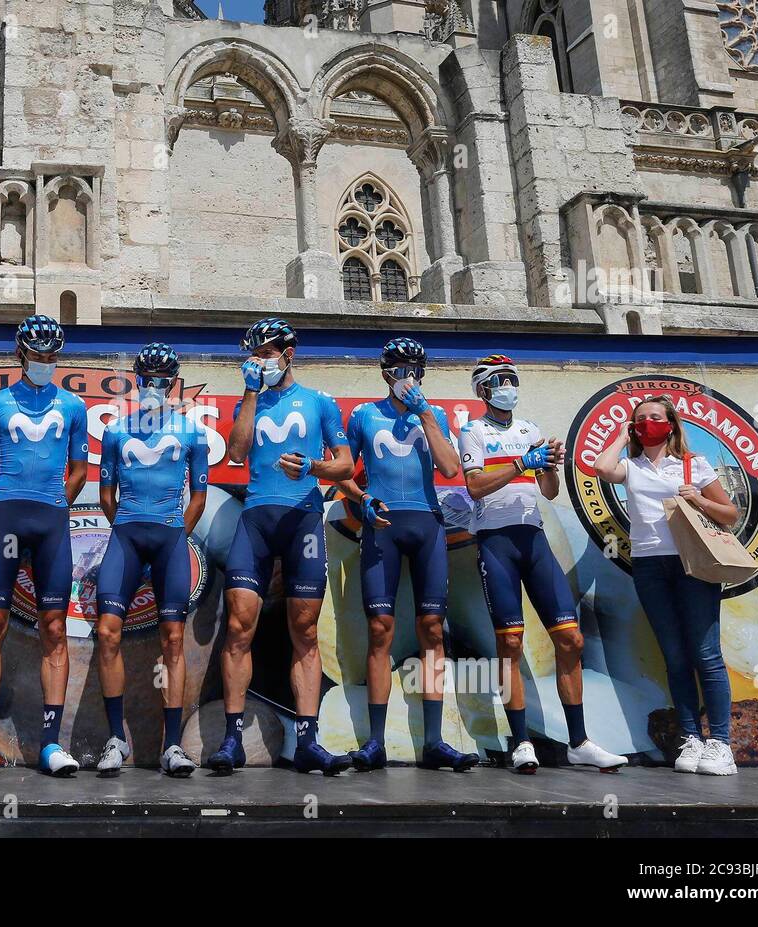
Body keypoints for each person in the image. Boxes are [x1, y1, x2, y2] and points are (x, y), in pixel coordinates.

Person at [458, 355, 626, 773]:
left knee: (571, 640)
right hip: (496, 542)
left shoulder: (529, 428)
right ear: (482, 390)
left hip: (533, 539)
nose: (507, 385)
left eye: (512, 378)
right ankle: (520, 742)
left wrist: (550, 464)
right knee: (510, 643)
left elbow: (548, 492)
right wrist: (520, 464)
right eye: (499, 380)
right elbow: (475, 487)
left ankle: (579, 741)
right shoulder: (473, 431)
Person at [209, 318, 354, 776]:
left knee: (305, 631)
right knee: (238, 626)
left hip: (303, 519)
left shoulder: (319, 403)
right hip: (256, 518)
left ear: (289, 353)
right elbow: (235, 451)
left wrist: (312, 466)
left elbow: (346, 464)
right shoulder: (247, 400)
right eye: (254, 355)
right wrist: (251, 393)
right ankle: (232, 739)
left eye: (268, 352)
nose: (261, 361)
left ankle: (308, 740)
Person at [0, 315, 88, 777]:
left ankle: (50, 744)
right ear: (21, 354)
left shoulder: (73, 405)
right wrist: (0, 509)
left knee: (54, 628)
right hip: (6, 517)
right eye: (37, 355)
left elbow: (80, 469)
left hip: (50, 521)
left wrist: (54, 508)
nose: (44, 362)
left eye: (51, 356)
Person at [338, 338, 479, 772]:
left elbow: (452, 469)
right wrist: (360, 499)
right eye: (400, 369)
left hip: (427, 523)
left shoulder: (433, 414)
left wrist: (423, 414)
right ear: (385, 373)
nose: (408, 377)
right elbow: (342, 470)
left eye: (415, 369)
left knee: (432, 628)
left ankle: (435, 741)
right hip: (383, 528)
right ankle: (375, 742)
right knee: (380, 628)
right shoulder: (364, 415)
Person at [593, 394, 739, 776]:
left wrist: (699, 500)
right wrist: (624, 437)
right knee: (674, 656)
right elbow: (601, 468)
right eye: (640, 420)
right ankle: (690, 737)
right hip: (648, 564)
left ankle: (721, 743)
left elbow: (731, 513)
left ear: (671, 424)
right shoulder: (632, 466)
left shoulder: (693, 464)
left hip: (693, 562)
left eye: (655, 417)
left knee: (705, 654)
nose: (646, 424)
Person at [94, 343, 208, 778]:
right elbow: (106, 496)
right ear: (136, 382)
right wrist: (126, 525)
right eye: (148, 380)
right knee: (107, 633)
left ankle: (172, 745)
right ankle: (115, 739)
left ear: (173, 384)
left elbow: (197, 495)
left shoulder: (190, 432)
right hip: (126, 536)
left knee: (174, 638)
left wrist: (178, 531)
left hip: (170, 539)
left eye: (163, 380)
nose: (155, 387)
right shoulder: (116, 432)